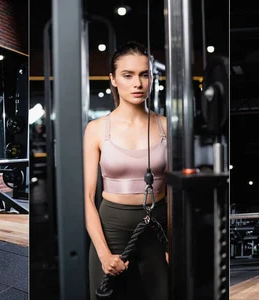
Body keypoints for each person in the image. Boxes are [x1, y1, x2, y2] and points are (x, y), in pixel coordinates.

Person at [83, 41, 169, 299]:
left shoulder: (168, 126)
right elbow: (88, 197)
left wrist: (174, 244)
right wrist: (103, 253)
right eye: (127, 75)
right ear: (113, 79)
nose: (138, 84)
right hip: (112, 230)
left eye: (144, 75)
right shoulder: (97, 129)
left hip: (160, 228)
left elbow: (176, 192)